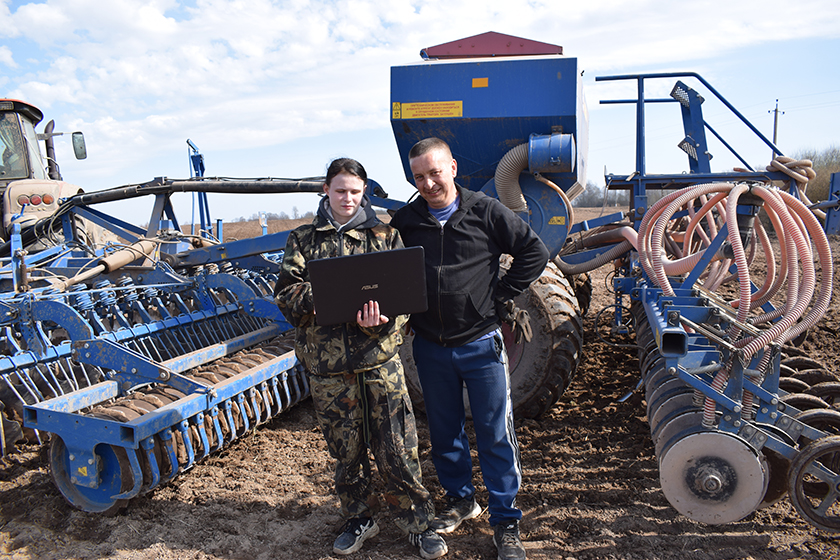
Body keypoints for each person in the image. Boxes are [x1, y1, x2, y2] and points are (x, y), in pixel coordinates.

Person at [274, 158, 447, 559]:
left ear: (364, 191)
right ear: (326, 190)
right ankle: (359, 518)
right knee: (346, 451)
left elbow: (405, 298)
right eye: (340, 191)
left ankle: (418, 523)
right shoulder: (303, 240)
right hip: (329, 368)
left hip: (380, 362)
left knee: (398, 447)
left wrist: (378, 323)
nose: (347, 198)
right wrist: (329, 296)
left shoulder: (385, 235)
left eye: (355, 191)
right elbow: (286, 295)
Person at [390, 138, 549, 560]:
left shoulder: (485, 211)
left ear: (453, 168)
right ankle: (461, 500)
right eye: (419, 177)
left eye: (435, 172)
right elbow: (383, 268)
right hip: (430, 347)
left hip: (481, 345)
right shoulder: (406, 221)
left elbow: (534, 251)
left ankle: (506, 520)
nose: (428, 183)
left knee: (495, 433)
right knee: (445, 433)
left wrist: (503, 293)